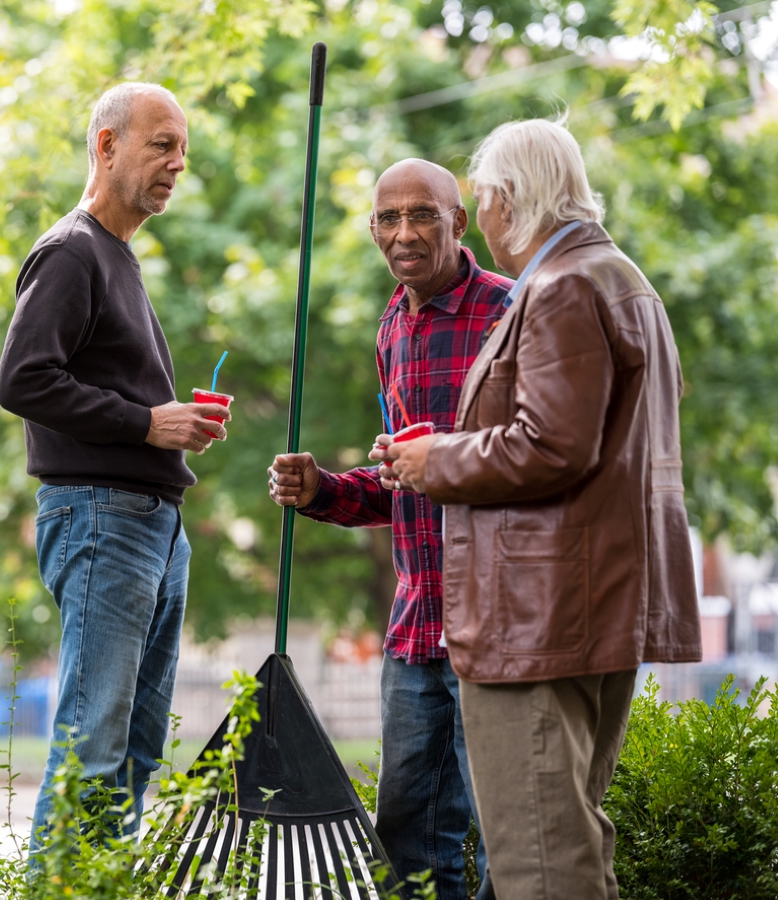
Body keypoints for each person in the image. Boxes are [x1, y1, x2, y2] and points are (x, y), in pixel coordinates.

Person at [381, 119, 702, 900]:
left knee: (539, 860)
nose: (485, 219)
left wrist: (436, 459)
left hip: (540, 614)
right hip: (589, 602)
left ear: (507, 200)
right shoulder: (621, 279)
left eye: (483, 198)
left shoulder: (563, 288)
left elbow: (553, 447)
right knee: (569, 837)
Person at [268, 158, 509, 900]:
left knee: (511, 833)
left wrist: (440, 459)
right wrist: (324, 492)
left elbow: (534, 458)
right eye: (388, 218)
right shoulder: (389, 328)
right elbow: (403, 482)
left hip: (493, 620)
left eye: (423, 215)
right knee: (406, 832)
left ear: (459, 223)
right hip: (414, 627)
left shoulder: (512, 310)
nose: (403, 233)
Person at [0, 82, 231, 845]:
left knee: (132, 756)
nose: (177, 163)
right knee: (93, 753)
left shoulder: (117, 258)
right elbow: (23, 380)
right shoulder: (71, 252)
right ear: (106, 145)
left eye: (182, 150)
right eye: (162, 144)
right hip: (102, 518)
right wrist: (145, 422)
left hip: (155, 528)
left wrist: (172, 426)